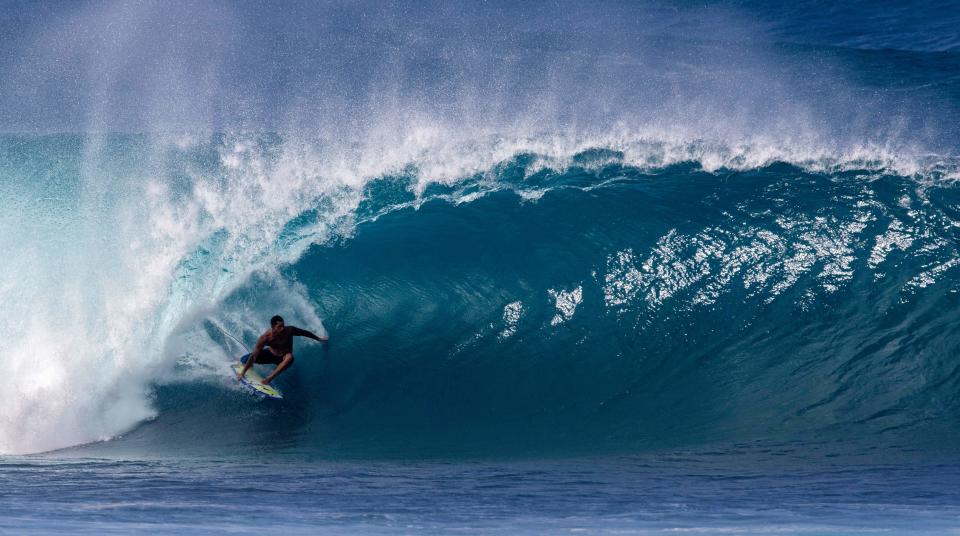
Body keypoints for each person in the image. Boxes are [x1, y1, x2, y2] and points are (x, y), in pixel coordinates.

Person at [237, 315, 327, 385]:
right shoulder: (265, 338)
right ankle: (244, 366)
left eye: (283, 325)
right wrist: (243, 372)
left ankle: (268, 379)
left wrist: (318, 338)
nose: (283, 328)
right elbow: (254, 355)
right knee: (245, 360)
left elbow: (305, 333)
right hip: (270, 355)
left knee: (290, 357)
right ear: (273, 327)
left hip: (283, 358)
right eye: (279, 326)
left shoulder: (289, 330)